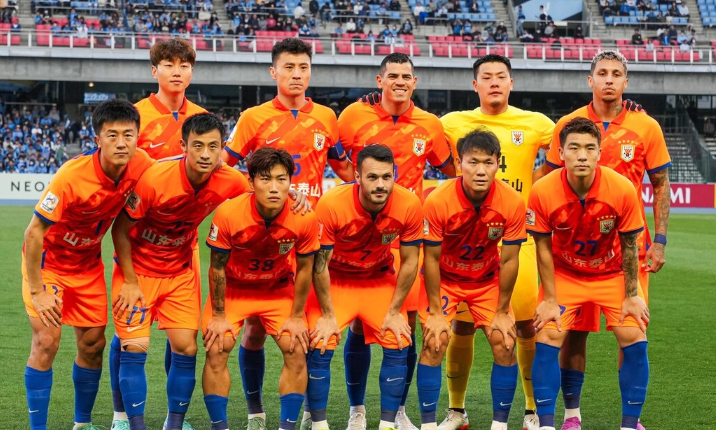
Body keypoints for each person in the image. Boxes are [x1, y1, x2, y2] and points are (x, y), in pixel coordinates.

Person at [221, 37, 355, 430]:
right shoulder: (253, 118)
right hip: (263, 239)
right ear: (273, 72)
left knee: (308, 328)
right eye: (289, 67)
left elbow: (346, 170)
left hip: (311, 237)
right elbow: (226, 169)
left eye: (303, 68)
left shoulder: (327, 117)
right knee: (254, 330)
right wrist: (258, 195)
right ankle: (255, 412)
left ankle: (312, 413)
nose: (297, 75)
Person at [535, 50, 670, 430]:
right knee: (572, 334)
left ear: (626, 82)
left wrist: (659, 240)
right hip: (571, 254)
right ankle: (571, 416)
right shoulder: (569, 124)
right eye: (602, 73)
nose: (609, 79)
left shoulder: (646, 127)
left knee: (631, 328)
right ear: (590, 80)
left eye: (616, 74)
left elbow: (661, 185)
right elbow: (549, 181)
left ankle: (631, 419)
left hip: (624, 251)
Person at [109, 113, 252, 430]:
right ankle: (134, 425)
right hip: (138, 272)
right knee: (134, 347)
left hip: (180, 273)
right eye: (198, 146)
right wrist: (129, 281)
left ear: (222, 148)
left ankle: (174, 424)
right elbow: (120, 230)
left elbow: (256, 201)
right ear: (183, 146)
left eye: (213, 146)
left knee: (187, 348)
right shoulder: (155, 179)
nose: (205, 154)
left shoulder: (231, 180)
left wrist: (293, 196)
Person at [337, 53, 455, 430]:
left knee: (406, 325)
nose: (400, 82)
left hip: (407, 237)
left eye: (406, 76)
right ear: (380, 80)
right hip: (361, 238)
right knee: (359, 326)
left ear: (414, 82)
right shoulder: (352, 117)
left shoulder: (430, 124)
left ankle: (399, 410)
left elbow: (451, 170)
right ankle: (357, 410)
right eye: (393, 76)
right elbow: (338, 162)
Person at [438, 54, 554, 430]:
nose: (494, 82)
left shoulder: (535, 122)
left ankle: (532, 411)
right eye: (486, 77)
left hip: (516, 241)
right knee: (461, 327)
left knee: (524, 326)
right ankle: (456, 411)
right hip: (468, 244)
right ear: (475, 85)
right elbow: (417, 134)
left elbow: (571, 141)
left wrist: (536, 180)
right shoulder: (452, 122)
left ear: (511, 83)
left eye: (501, 76)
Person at [22, 99, 153, 430]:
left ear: (137, 137)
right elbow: (33, 233)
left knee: (93, 345)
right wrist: (37, 291)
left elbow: (176, 174)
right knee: (46, 341)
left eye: (128, 135)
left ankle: (82, 423)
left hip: (88, 265)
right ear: (97, 139)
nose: (121, 143)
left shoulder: (143, 164)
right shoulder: (71, 175)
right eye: (112, 135)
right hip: (49, 264)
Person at [109, 38, 207, 430]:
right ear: (155, 71)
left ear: (192, 72)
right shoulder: (136, 116)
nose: (176, 71)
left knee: (181, 335)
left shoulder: (202, 117)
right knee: (128, 333)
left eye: (184, 65)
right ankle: (121, 415)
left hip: (184, 245)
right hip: (137, 241)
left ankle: (173, 418)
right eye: (168, 64)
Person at [528, 116, 650, 430]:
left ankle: (629, 424)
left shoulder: (621, 188)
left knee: (635, 335)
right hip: (567, 275)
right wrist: (549, 299)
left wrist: (632, 296)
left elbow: (630, 245)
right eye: (574, 148)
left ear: (599, 153)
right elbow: (543, 248)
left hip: (611, 274)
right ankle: (550, 423)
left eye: (589, 148)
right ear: (560, 153)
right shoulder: (542, 191)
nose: (582, 155)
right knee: (548, 334)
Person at [305, 144, 423, 430]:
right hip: (336, 281)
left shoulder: (409, 204)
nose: (380, 184)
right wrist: (328, 315)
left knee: (398, 339)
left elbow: (410, 261)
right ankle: (324, 421)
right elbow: (319, 265)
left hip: (377, 280)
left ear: (394, 175)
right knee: (319, 340)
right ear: (357, 177)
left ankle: (388, 424)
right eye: (372, 177)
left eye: (386, 176)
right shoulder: (332, 204)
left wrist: (394, 311)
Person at [202, 147, 321, 430]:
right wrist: (218, 315)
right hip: (234, 289)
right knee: (217, 346)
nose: (274, 187)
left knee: (295, 346)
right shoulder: (229, 213)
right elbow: (216, 266)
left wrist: (296, 316)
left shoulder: (304, 216)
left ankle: (286, 427)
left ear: (291, 182)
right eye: (266, 179)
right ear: (252, 180)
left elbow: (306, 269)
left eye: (281, 179)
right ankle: (224, 426)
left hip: (277, 290)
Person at [417, 129, 526, 430]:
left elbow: (510, 259)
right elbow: (431, 259)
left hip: (486, 281)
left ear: (498, 163)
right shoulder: (437, 200)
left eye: (488, 162)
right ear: (459, 163)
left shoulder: (512, 201)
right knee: (434, 341)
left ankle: (499, 425)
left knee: (505, 341)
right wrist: (436, 313)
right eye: (473, 162)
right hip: (446, 280)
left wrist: (502, 311)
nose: (480, 170)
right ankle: (428, 425)